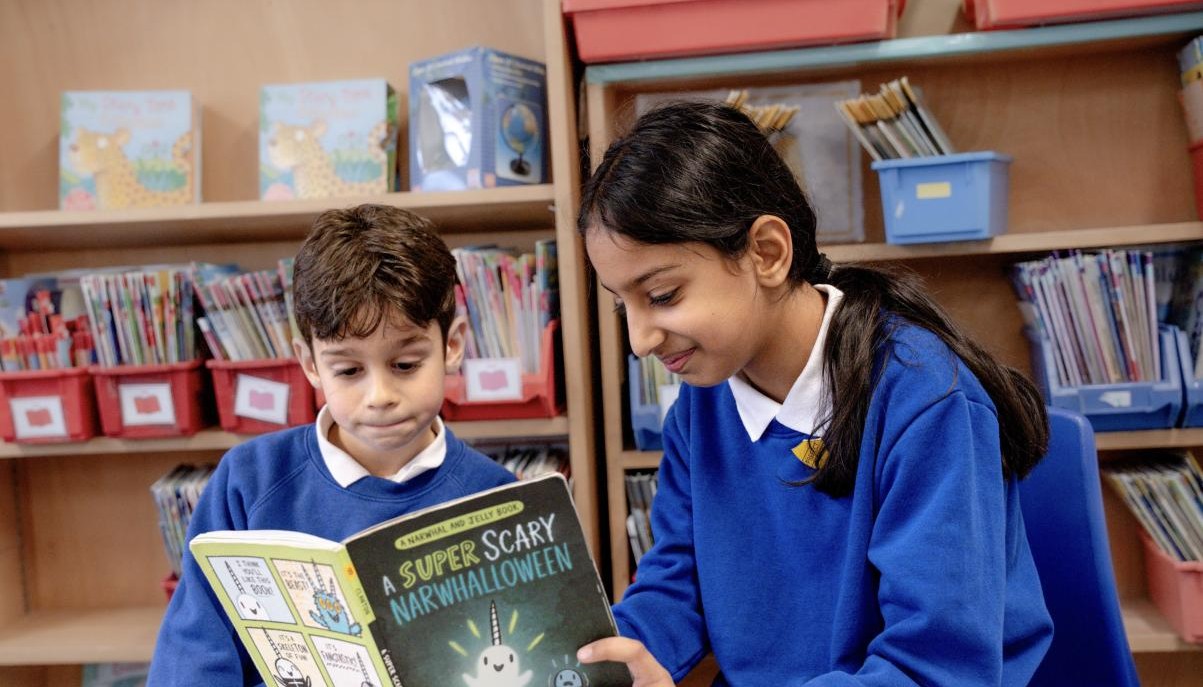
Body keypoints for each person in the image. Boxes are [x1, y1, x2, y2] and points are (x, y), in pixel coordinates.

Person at [575, 101, 1054, 686]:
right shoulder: (702, 402)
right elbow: (679, 581)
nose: (640, 340)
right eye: (621, 303)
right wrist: (599, 664)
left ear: (768, 253)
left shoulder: (926, 403)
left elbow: (934, 666)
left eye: (665, 295)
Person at [148, 204, 516, 685]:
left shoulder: (499, 497)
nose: (380, 397)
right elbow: (193, 658)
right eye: (348, 371)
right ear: (309, 363)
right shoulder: (249, 481)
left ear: (452, 345)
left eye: (405, 365)